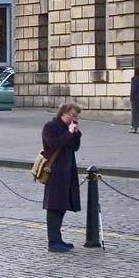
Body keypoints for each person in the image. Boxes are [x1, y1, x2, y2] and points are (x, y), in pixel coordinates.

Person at [40, 102, 82, 252]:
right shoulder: (50, 127)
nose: (74, 118)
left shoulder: (68, 128)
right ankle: (53, 242)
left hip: (67, 170)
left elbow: (75, 147)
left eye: (76, 116)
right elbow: (53, 144)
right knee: (54, 206)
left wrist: (75, 134)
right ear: (63, 113)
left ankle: (58, 239)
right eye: (72, 115)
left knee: (62, 206)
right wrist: (69, 133)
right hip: (54, 171)